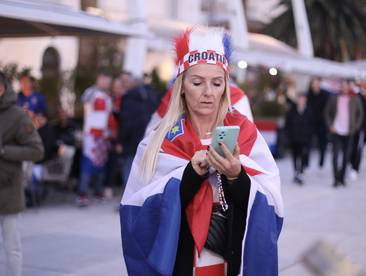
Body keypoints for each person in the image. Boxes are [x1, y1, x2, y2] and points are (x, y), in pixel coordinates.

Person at [120, 28, 284, 276]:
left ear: (225, 88)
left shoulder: (245, 133)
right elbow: (137, 209)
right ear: (182, 86)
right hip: (179, 263)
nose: (208, 92)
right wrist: (189, 175)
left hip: (230, 261)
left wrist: (236, 176)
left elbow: (271, 203)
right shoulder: (159, 140)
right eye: (197, 82)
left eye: (217, 83)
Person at [0, 71, 44, 276]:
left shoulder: (17, 116)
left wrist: (4, 150)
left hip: (7, 189)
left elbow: (37, 150)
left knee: (11, 246)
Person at [78, 71, 112, 206]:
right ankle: (82, 193)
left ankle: (98, 191)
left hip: (103, 135)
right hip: (90, 135)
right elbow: (85, 101)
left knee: (101, 164)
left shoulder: (108, 96)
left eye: (107, 81)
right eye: (103, 80)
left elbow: (108, 116)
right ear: (99, 79)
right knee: (87, 163)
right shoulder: (90, 92)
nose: (105, 83)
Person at [325, 79, 363, 187]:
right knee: (335, 156)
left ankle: (342, 177)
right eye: (342, 86)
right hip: (336, 131)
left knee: (346, 156)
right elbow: (327, 112)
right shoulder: (334, 98)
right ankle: (335, 179)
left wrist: (355, 127)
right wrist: (330, 126)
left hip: (349, 132)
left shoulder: (355, 98)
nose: (344, 88)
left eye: (346, 86)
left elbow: (360, 114)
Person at [285, 93, 314, 185]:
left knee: (303, 155)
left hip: (305, 139)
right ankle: (296, 172)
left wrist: (310, 136)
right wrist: (288, 136)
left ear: (305, 100)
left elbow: (312, 125)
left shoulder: (309, 111)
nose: (301, 100)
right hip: (294, 138)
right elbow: (287, 124)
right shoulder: (291, 111)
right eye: (300, 99)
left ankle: (300, 173)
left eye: (303, 99)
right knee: (294, 156)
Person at [348, 84, 366, 180]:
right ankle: (351, 164)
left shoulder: (360, 97)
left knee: (357, 148)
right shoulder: (346, 95)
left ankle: (355, 168)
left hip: (359, 128)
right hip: (347, 128)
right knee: (349, 148)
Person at [306, 77, 330, 168]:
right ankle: (306, 163)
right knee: (308, 143)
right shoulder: (308, 95)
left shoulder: (325, 95)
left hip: (322, 123)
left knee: (322, 143)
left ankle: (321, 161)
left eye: (316, 83)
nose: (315, 85)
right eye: (313, 83)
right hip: (310, 123)